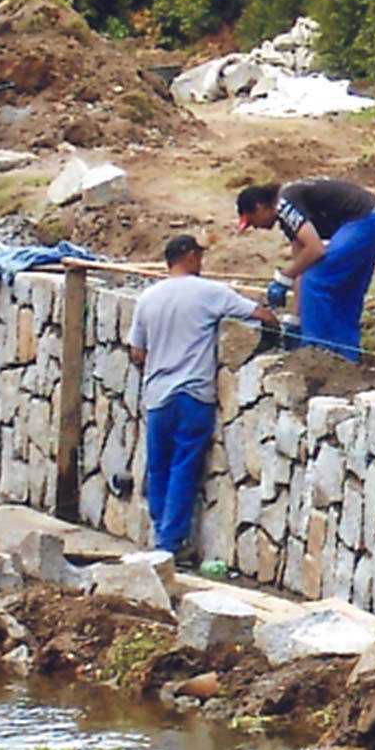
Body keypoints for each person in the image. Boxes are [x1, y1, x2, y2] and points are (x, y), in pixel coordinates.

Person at [129, 235, 278, 557]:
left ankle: (160, 534)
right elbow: (260, 314)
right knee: (184, 466)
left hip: (158, 395)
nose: (202, 262)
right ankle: (169, 544)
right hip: (194, 394)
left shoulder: (147, 298)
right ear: (190, 256)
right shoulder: (209, 292)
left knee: (158, 466)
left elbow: (137, 352)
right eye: (199, 256)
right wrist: (278, 334)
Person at [236, 179, 375, 362]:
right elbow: (302, 265)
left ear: (260, 207)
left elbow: (315, 250)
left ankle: (315, 355)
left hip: (362, 222)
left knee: (316, 281)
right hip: (374, 219)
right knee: (345, 293)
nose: (256, 227)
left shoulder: (284, 204)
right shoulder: (288, 218)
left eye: (252, 221)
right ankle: (347, 360)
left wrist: (283, 278)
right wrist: (294, 320)